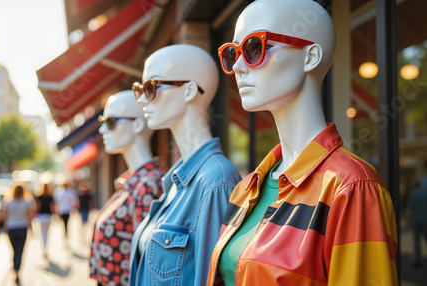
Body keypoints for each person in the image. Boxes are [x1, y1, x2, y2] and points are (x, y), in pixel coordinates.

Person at [206, 0, 398, 285]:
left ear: (310, 57)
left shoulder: (352, 188)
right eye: (233, 53)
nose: (238, 67)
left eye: (255, 48)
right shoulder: (244, 190)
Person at [129, 44, 242, 286]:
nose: (142, 100)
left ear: (190, 90)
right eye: (139, 90)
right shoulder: (176, 181)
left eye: (151, 87)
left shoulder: (216, 180)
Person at [90, 90, 164, 286]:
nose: (102, 130)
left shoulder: (148, 185)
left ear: (138, 124)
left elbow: (147, 259)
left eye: (111, 122)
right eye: (102, 122)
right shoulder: (131, 183)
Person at [2, 182, 34, 284]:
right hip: (22, 228)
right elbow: (29, 217)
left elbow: (4, 217)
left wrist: (4, 228)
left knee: (15, 250)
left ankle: (15, 266)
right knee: (19, 251)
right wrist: (31, 228)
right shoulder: (27, 202)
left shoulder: (7, 202)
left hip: (11, 228)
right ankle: (17, 270)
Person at [407, 177, 427, 267]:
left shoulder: (413, 194)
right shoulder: (425, 193)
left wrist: (408, 221)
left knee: (417, 241)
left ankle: (418, 259)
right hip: (425, 219)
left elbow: (409, 211)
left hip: (416, 220)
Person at [34, 182, 55, 257]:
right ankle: (45, 247)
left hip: (41, 216)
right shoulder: (50, 197)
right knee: (47, 233)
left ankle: (43, 247)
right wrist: (54, 215)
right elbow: (52, 207)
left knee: (42, 233)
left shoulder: (39, 197)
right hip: (48, 216)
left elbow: (37, 207)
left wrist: (35, 215)